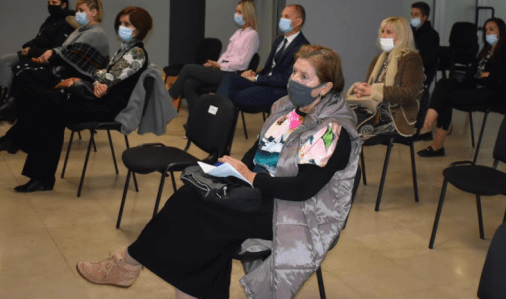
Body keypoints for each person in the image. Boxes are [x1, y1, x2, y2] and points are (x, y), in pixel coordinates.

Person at [76, 45, 361, 299]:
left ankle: (129, 263)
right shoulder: (287, 109)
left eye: (304, 77)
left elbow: (302, 189)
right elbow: (257, 152)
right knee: (192, 195)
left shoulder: (330, 130)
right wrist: (234, 170)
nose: (294, 80)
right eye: (294, 72)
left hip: (298, 212)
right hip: (265, 191)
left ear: (325, 87)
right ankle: (134, 266)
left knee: (208, 217)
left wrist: (249, 177)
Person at [0, 7, 153, 192]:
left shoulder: (136, 53)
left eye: (127, 24)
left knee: (49, 102)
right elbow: (105, 76)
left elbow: (108, 79)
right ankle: (40, 175)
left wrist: (95, 77)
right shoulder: (125, 50)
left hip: (110, 107)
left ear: (139, 29)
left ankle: (18, 144)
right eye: (121, 23)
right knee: (49, 109)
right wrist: (98, 77)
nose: (122, 27)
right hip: (103, 100)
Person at [0, 0, 110, 122]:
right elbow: (64, 48)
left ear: (94, 12)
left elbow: (71, 55)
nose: (77, 14)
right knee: (24, 70)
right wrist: (51, 51)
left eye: (81, 10)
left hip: (75, 79)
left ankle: (13, 111)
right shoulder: (80, 30)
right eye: (77, 10)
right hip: (64, 71)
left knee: (27, 73)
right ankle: (11, 109)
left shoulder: (96, 33)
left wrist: (47, 60)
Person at [418, 17, 506, 157]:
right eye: (486, 30)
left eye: (492, 29)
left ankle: (431, 135)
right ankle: (430, 130)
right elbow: (472, 74)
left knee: (445, 97)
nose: (488, 33)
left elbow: (495, 80)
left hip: (492, 94)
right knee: (443, 84)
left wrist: (482, 76)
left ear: (501, 32)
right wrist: (482, 75)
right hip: (476, 88)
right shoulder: (486, 51)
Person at [0, 0, 76, 116]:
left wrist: (31, 51)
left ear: (63, 5)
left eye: (54, 3)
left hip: (44, 58)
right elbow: (40, 39)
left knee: (19, 66)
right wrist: (28, 46)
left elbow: (55, 50)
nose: (50, 5)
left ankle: (10, 106)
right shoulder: (51, 19)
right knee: (5, 59)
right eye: (49, 2)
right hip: (34, 52)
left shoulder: (66, 23)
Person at [217, 4, 309, 112]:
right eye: (282, 16)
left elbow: (287, 79)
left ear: (298, 22)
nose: (282, 19)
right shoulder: (279, 40)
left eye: (286, 17)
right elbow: (268, 69)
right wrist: (254, 74)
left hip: (279, 90)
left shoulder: (303, 47)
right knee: (230, 79)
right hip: (265, 83)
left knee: (238, 96)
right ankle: (214, 113)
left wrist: (257, 78)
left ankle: (216, 115)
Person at [168, 0, 259, 110]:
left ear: (248, 15)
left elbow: (243, 63)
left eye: (240, 12)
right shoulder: (238, 33)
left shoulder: (252, 35)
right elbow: (227, 54)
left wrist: (220, 65)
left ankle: (168, 97)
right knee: (189, 83)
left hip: (231, 74)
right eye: (236, 11)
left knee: (187, 68)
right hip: (222, 70)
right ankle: (197, 115)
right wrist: (216, 64)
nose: (236, 15)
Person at [347, 16, 424, 139]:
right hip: (372, 107)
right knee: (336, 115)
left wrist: (373, 91)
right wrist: (361, 90)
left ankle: (338, 150)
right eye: (382, 31)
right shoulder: (377, 60)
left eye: (388, 32)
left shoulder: (411, 59)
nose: (383, 35)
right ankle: (326, 150)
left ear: (401, 36)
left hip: (394, 114)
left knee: (345, 125)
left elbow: (408, 94)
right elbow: (369, 88)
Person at [410, 1, 440, 86]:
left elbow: (428, 61)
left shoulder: (432, 35)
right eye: (412, 14)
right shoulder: (409, 32)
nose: (413, 17)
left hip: (421, 73)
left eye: (416, 15)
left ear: (424, 17)